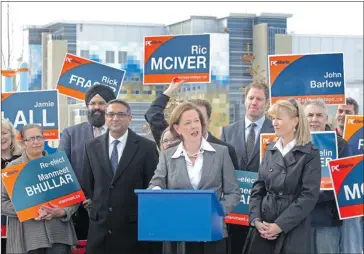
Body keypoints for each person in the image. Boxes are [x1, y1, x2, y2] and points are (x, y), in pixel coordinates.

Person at [148, 102, 240, 254]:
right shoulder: (168, 155)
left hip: (212, 231)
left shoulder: (221, 153)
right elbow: (156, 182)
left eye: (197, 121)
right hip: (178, 232)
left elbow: (233, 193)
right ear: (177, 128)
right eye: (188, 123)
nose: (194, 126)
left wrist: (217, 211)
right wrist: (157, 192)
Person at [82, 99, 162, 254]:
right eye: (111, 114)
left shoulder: (147, 147)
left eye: (120, 114)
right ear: (105, 117)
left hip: (132, 229)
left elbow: (151, 187)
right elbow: (88, 184)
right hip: (100, 230)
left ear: (129, 118)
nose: (115, 118)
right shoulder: (91, 146)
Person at [243, 99, 321, 254]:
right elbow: (258, 189)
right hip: (264, 228)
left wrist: (279, 226)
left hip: (293, 229)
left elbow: (308, 196)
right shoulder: (270, 149)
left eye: (279, 118)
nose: (274, 123)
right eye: (273, 118)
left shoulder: (310, 154)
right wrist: (256, 220)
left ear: (295, 122)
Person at [1, 124, 78, 254]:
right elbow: (2, 202)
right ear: (23, 142)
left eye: (39, 137)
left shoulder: (57, 164)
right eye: (30, 139)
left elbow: (74, 197)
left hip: (58, 233)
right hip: (28, 237)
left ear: (44, 139)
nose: (35, 142)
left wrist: (63, 212)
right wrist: (30, 210)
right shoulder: (12, 168)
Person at [220, 82, 274, 254]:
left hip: (265, 207)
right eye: (251, 98)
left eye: (259, 99)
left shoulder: (276, 129)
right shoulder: (228, 131)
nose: (254, 102)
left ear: (267, 102)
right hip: (236, 208)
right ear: (245, 100)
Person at [58, 84, 116, 240]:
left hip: (113, 207)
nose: (97, 107)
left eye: (101, 103)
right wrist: (80, 197)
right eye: (92, 104)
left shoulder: (119, 133)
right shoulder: (71, 133)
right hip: (80, 208)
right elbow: (61, 169)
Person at [145, 78, 239, 169]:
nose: (194, 125)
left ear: (208, 122)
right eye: (188, 120)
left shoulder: (225, 150)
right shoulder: (172, 140)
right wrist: (170, 90)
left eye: (198, 119)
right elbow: (153, 115)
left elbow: (232, 182)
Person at [304, 99, 349, 253]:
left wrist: (306, 198)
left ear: (326, 118)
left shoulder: (340, 145)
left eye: (318, 115)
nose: (314, 119)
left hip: (327, 220)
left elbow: (341, 183)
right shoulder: (294, 143)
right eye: (309, 115)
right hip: (300, 220)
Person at [334, 97, 364, 254]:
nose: (342, 114)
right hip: (331, 202)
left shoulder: (361, 136)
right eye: (340, 111)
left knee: (353, 245)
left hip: (356, 199)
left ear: (355, 115)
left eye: (347, 112)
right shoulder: (326, 136)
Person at [1, 118, 23, 254]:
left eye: (4, 133)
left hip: (19, 220)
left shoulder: (23, 158)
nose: (1, 138)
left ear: (11, 134)